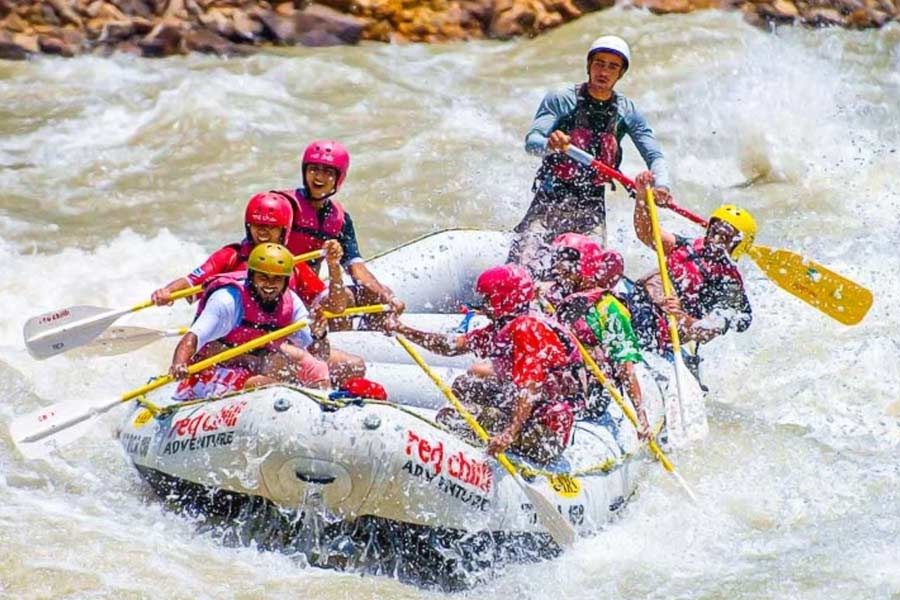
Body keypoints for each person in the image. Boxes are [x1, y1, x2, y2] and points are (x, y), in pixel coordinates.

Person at [152, 192, 365, 385]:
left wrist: (333, 266)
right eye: (257, 225)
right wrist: (167, 291)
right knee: (278, 366)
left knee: (350, 366)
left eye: (271, 227)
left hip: (271, 343)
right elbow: (190, 282)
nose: (263, 233)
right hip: (228, 347)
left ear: (284, 231)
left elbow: (336, 308)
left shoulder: (292, 267)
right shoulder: (230, 264)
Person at [386, 264, 587, 465]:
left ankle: (473, 464)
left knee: (462, 417)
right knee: (465, 385)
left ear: (503, 299)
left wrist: (509, 433)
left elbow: (530, 388)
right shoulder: (506, 326)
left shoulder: (528, 328)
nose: (483, 306)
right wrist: (402, 329)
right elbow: (451, 346)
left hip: (547, 432)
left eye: (488, 299)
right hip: (531, 411)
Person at [510, 35, 672, 274]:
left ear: (621, 73)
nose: (603, 72)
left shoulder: (627, 111)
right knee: (523, 266)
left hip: (591, 207)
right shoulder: (562, 98)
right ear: (589, 66)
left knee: (591, 273)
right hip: (550, 199)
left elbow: (655, 156)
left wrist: (662, 186)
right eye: (599, 63)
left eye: (612, 66)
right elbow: (532, 142)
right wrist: (551, 144)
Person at [269, 140, 405, 327]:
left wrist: (387, 297)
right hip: (276, 288)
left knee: (375, 294)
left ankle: (372, 337)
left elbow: (356, 269)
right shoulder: (282, 206)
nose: (319, 177)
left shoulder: (340, 220)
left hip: (310, 292)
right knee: (342, 301)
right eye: (314, 169)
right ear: (304, 171)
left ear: (338, 178)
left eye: (328, 172)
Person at [169, 243, 330, 400]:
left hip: (255, 365)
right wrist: (179, 364)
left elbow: (319, 354)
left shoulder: (291, 303)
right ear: (251, 276)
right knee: (265, 384)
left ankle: (322, 406)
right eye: (263, 277)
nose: (269, 284)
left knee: (319, 369)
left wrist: (319, 334)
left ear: (286, 281)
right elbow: (192, 338)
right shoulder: (227, 300)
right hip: (212, 369)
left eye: (277, 279)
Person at [628, 171, 754, 362]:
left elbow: (705, 332)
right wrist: (642, 197)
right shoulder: (688, 247)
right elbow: (646, 233)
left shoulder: (727, 285)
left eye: (724, 237)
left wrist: (680, 315)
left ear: (737, 246)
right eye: (714, 231)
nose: (715, 240)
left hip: (661, 331)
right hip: (638, 302)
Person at [546, 233, 650, 440]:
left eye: (565, 264)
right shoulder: (553, 296)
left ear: (585, 266)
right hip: (556, 375)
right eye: (556, 261)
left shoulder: (609, 309)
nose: (558, 269)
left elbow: (625, 367)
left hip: (589, 390)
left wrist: (640, 414)